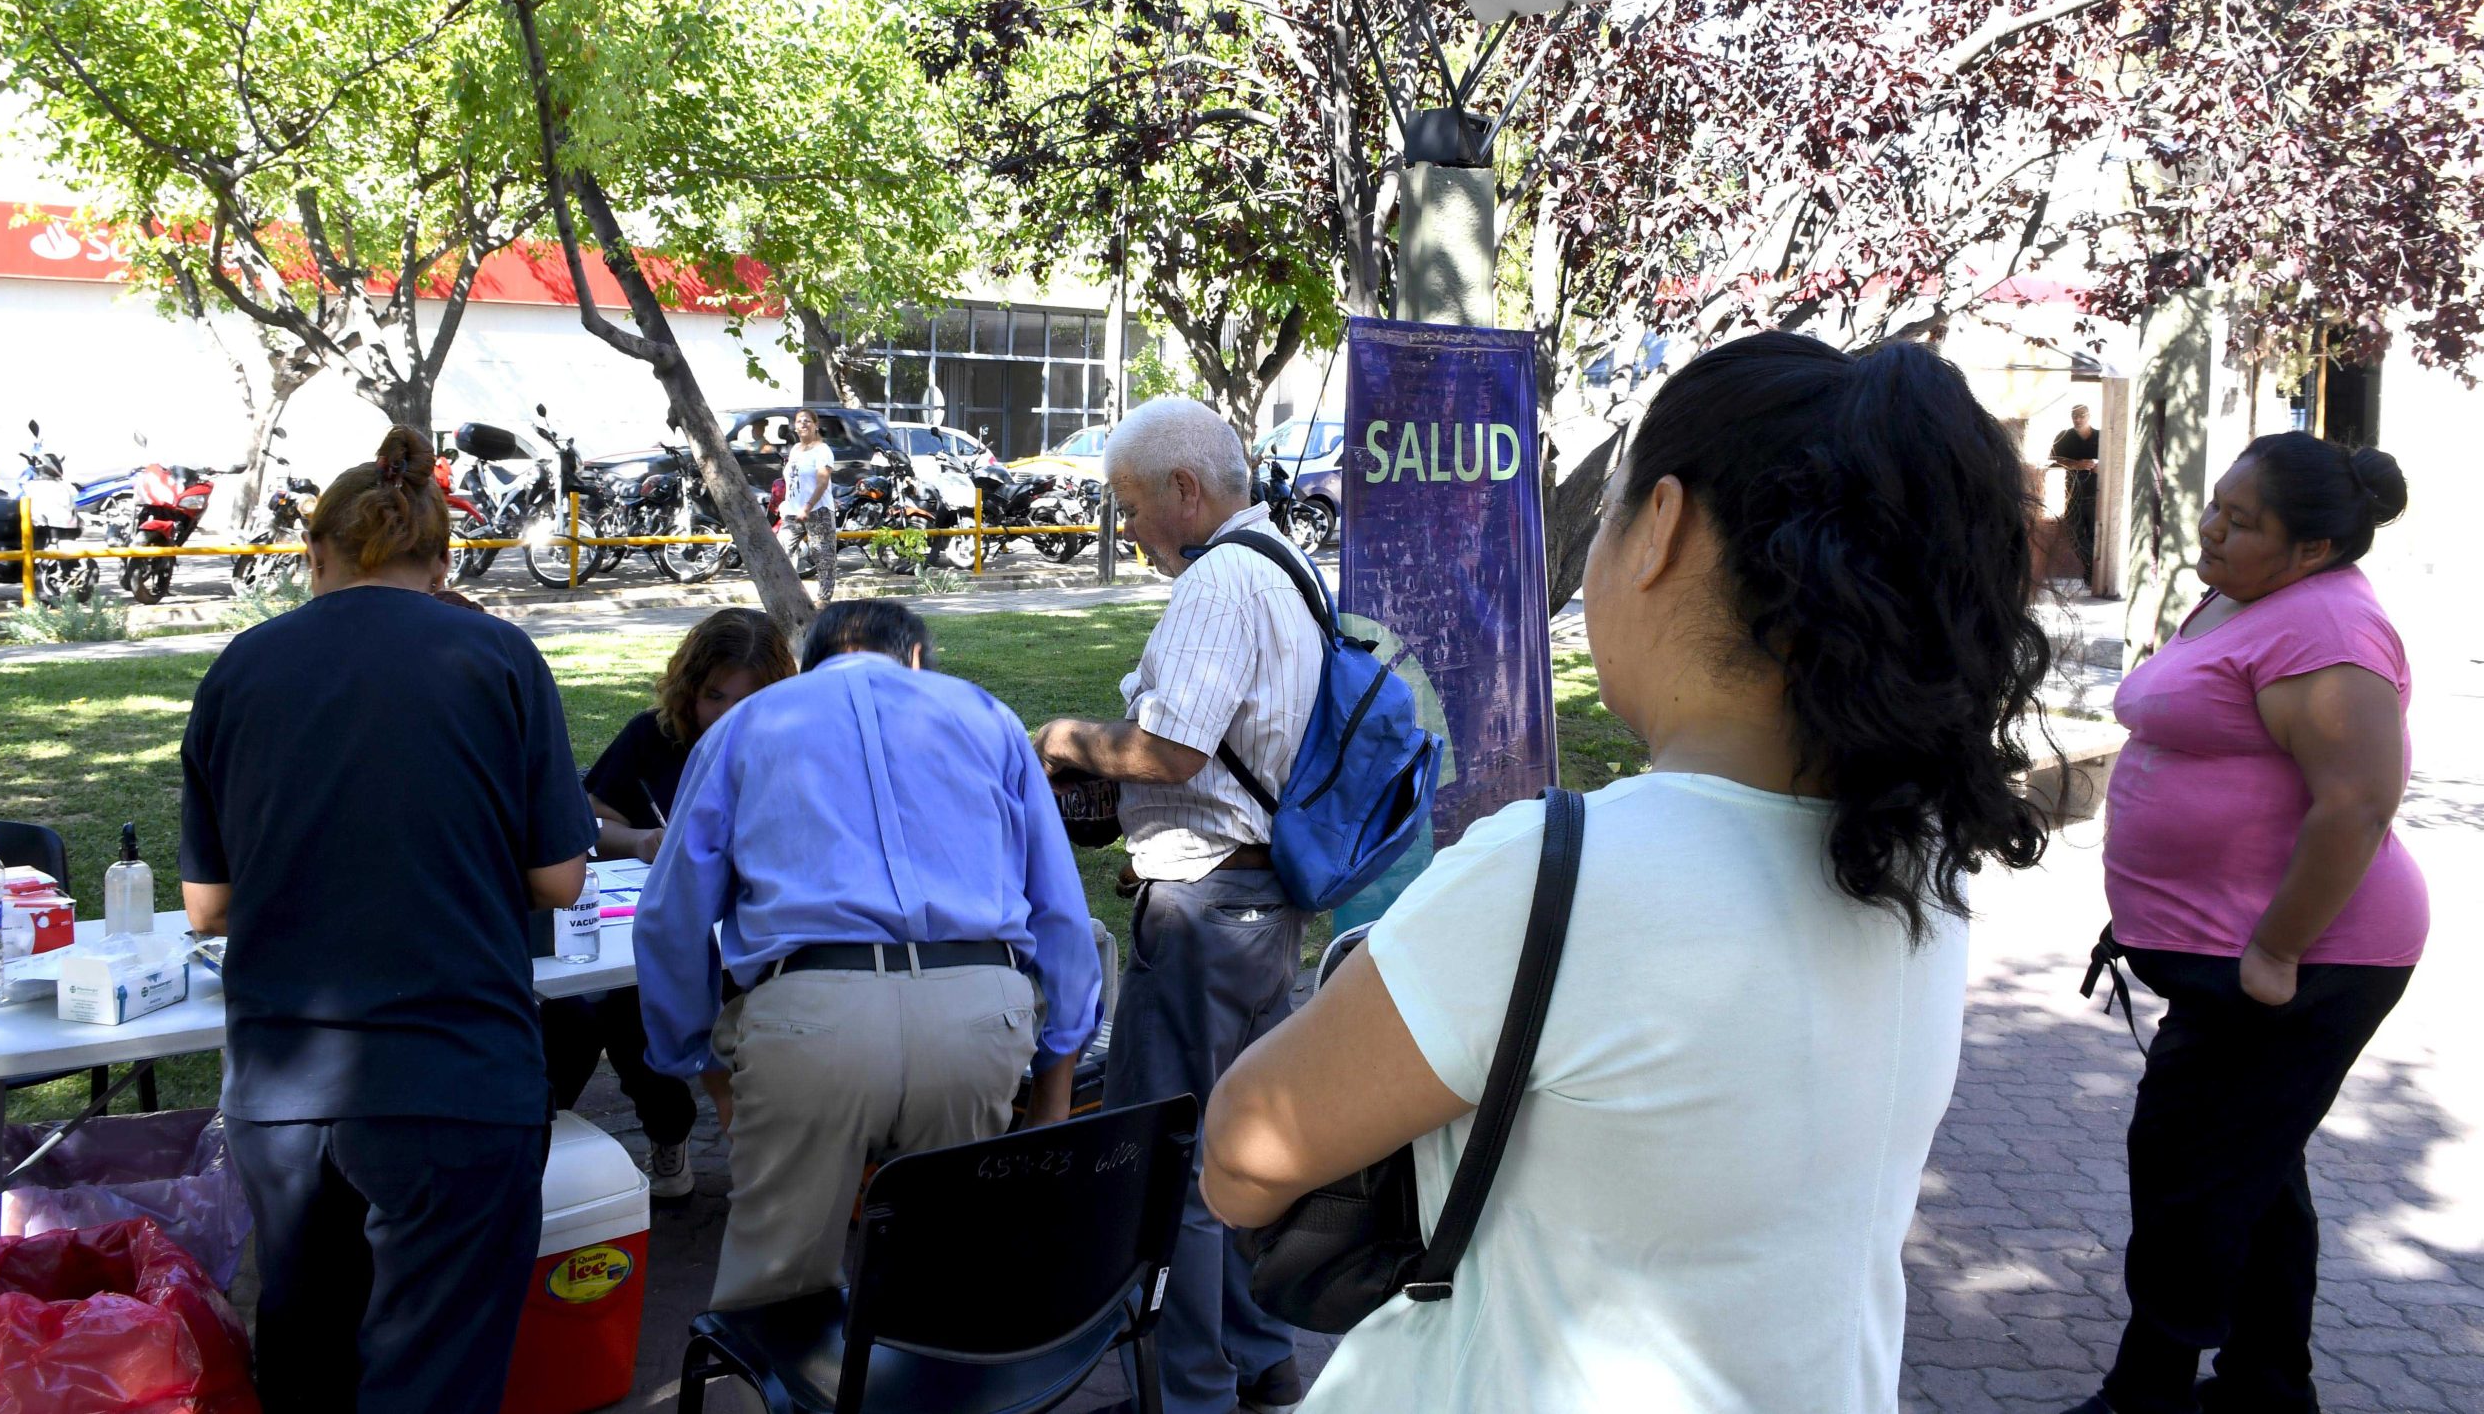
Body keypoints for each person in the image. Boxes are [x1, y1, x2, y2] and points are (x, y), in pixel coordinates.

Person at [1201, 336, 2057, 1413]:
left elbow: (1242, 1156)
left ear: (1662, 526)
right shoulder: (1917, 856)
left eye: (1605, 510)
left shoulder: (1557, 876)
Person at [179, 425, 595, 1414]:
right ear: (443, 559)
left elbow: (207, 903)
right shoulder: (498, 657)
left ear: (313, 554)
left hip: (284, 1090)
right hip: (455, 1076)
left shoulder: (241, 667)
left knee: (306, 1357)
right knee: (434, 1372)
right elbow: (563, 878)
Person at [2066, 434, 2421, 1414]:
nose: (2212, 526)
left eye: (2242, 519)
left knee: (2189, 1169)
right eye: (2216, 504)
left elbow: (2356, 803)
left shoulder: (2329, 630)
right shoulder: (2249, 597)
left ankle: (2147, 1391)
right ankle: (2268, 1388)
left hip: (2308, 959)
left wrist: (2273, 949)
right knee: (2253, 1172)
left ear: (2311, 550)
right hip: (2231, 952)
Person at [634, 598, 1102, 1307]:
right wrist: (1053, 1095)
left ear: (811, 659)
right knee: (943, 1283)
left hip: (809, 1019)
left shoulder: (749, 725)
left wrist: (701, 1062)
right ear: (915, 657)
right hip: (977, 1015)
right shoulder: (987, 716)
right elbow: (1062, 912)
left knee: (776, 1300)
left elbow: (671, 917)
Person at [1033, 396, 1324, 1414]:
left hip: (1206, 907)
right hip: (1254, 893)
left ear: (1184, 491)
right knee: (1240, 1139)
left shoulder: (1219, 582)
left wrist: (1064, 735)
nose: (1126, 528)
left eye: (1128, 506)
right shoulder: (1287, 565)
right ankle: (1256, 1358)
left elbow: (1171, 750)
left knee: (1181, 1161)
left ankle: (1189, 1390)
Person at [545, 608, 794, 1200]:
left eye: (749, 699)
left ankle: (771, 1178)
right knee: (625, 1009)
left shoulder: (793, 748)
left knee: (754, 1030)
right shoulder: (652, 736)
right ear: (688, 689)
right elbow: (586, 817)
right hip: (662, 930)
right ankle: (670, 1130)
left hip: (757, 940)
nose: (728, 715)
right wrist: (641, 840)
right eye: (714, 696)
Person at [776, 408, 837, 604]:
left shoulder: (822, 450)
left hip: (817, 510)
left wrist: (808, 506)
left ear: (816, 425)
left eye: (807, 421)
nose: (803, 424)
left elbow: (822, 482)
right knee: (782, 551)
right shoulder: (795, 450)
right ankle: (791, 597)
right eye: (799, 421)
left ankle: (823, 600)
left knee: (822, 555)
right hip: (792, 511)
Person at [2051, 402, 2101, 578]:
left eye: (2081, 415)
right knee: (2074, 535)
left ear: (2089, 416)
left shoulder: (2101, 437)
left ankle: (2092, 573)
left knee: (2097, 536)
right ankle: (2094, 569)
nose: (2077, 419)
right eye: (2074, 416)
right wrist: (2075, 464)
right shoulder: (2064, 436)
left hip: (2097, 494)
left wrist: (2100, 468)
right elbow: (2054, 459)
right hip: (2073, 493)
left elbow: (2115, 460)